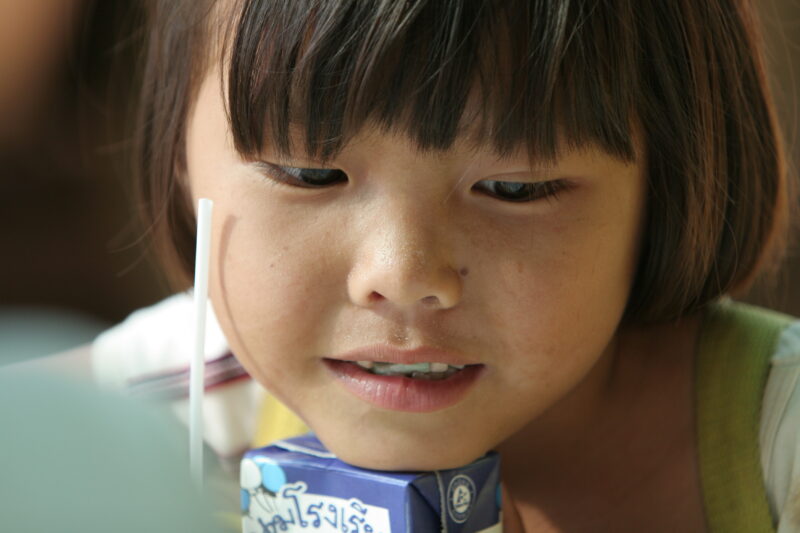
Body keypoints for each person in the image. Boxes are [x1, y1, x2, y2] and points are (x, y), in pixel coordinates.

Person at [85, 1, 800, 531]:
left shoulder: (780, 447)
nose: (402, 273)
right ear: (182, 157)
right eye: (308, 173)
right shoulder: (144, 419)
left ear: (670, 182)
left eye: (516, 188)